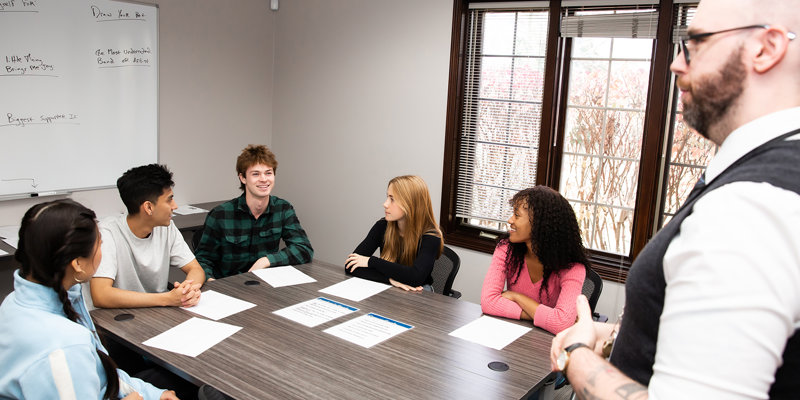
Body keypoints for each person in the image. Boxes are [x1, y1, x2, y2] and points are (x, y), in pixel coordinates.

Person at [550, 1, 800, 398]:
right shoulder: (771, 173)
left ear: (766, 48)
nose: (676, 64)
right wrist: (615, 334)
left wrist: (579, 355)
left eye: (696, 43)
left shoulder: (749, 206)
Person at [0, 199, 176, 399]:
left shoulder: (15, 302)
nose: (102, 250)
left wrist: (153, 394)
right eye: (100, 243)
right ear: (77, 264)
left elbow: (102, 374)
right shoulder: (65, 345)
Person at [87, 164, 205, 309]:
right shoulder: (107, 233)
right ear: (148, 207)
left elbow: (196, 269)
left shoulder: (167, 228)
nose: (175, 206)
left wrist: (188, 291)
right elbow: (101, 295)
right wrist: (167, 298)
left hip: (155, 312)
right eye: (169, 199)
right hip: (116, 318)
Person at [194, 145, 313, 279]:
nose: (264, 179)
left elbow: (304, 249)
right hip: (229, 287)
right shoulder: (220, 215)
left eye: (268, 173)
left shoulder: (283, 209)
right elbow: (202, 260)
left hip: (264, 286)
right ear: (243, 178)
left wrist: (266, 261)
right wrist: (211, 283)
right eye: (255, 174)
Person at [480, 186, 587, 335]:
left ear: (538, 224)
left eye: (517, 215)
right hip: (511, 335)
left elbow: (561, 324)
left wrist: (516, 297)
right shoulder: (506, 249)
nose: (510, 220)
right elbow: (488, 302)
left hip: (547, 346)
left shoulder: (573, 268)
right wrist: (544, 315)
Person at [345, 175, 443, 291]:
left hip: (419, 291)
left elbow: (415, 277)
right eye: (387, 197)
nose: (385, 204)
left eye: (392, 199)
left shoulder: (431, 236)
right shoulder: (382, 226)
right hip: (389, 286)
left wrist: (371, 261)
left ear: (410, 204)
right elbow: (350, 265)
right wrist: (390, 280)